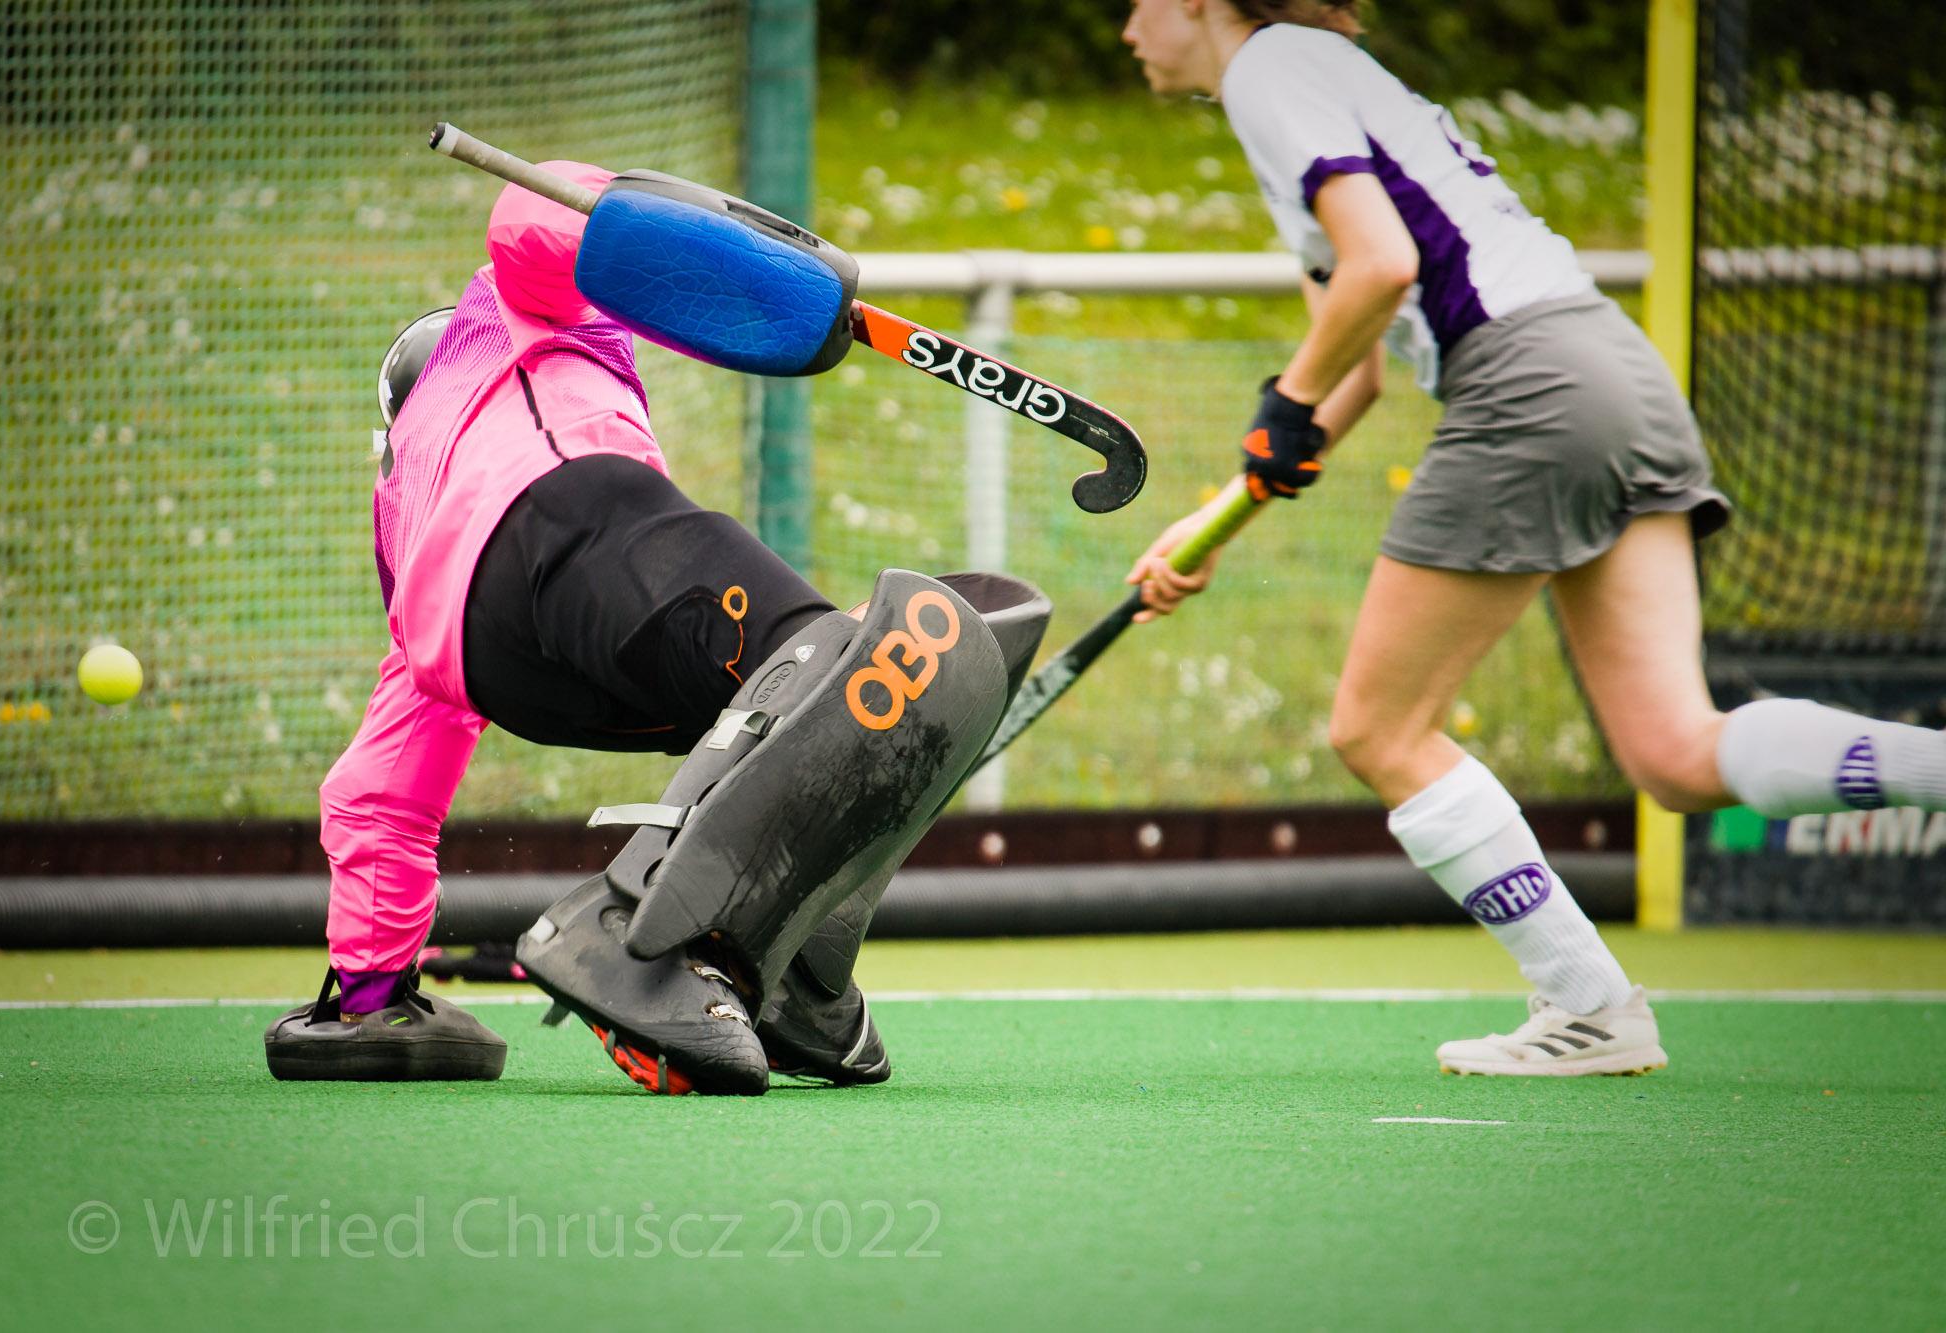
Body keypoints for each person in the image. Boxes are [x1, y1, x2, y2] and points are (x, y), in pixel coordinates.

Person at [1120, 0, 1946, 1075]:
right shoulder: (1316, 75)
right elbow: (1357, 364)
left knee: (1379, 729)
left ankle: (1587, 1005)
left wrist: (1284, 401)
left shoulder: (1269, 68)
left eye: (1135, 2)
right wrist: (1217, 516)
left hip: (1526, 384)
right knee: (1674, 752)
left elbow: (1379, 269)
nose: (1126, 28)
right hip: (1609, 365)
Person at [266, 161, 1047, 1094]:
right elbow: (538, 210)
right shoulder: (512, 320)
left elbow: (376, 796)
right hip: (572, 519)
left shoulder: (413, 555)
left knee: (798, 712)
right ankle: (638, 935)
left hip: (496, 665)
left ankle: (766, 955)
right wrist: (764, 269)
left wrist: (369, 990)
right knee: (845, 665)